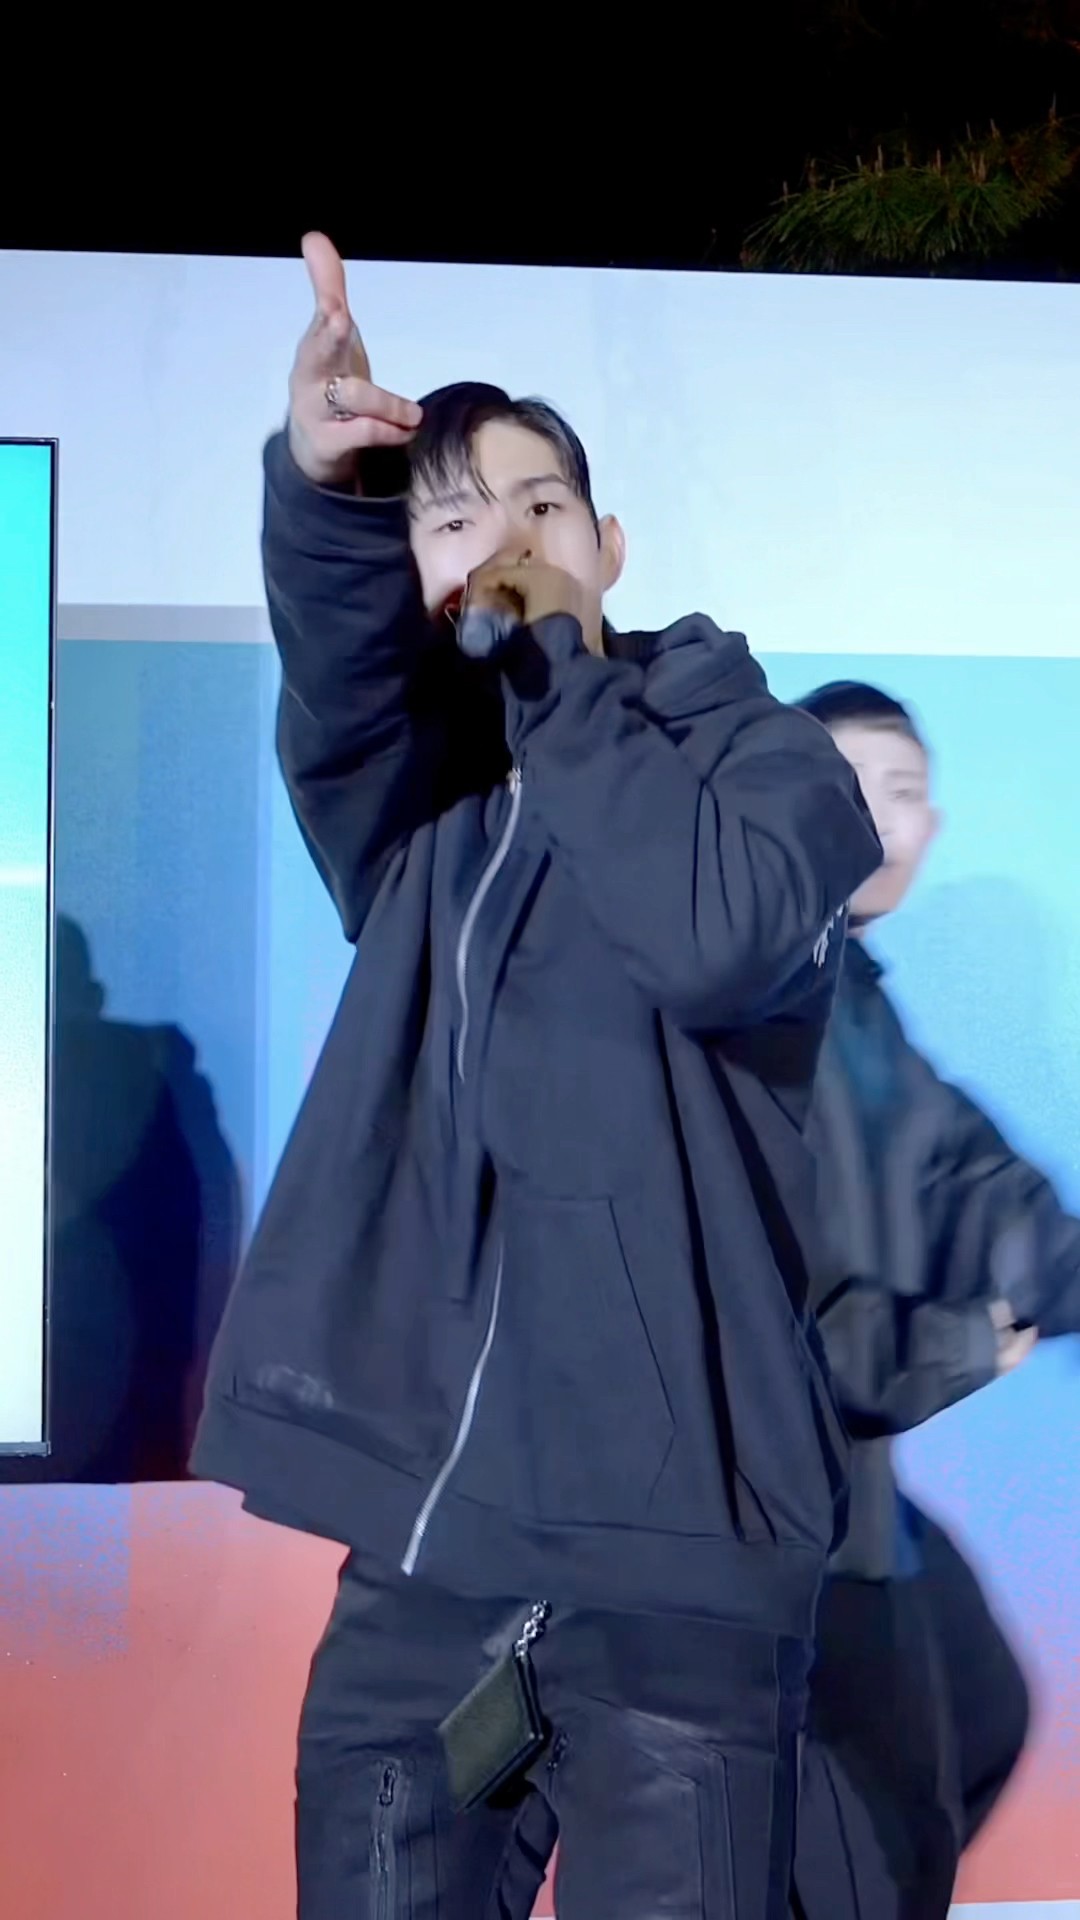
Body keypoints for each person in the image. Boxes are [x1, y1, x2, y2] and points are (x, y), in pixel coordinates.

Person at [192, 233, 882, 1920]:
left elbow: (712, 937)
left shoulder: (769, 765)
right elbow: (343, 685)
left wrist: (561, 672)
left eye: (539, 508)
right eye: (454, 523)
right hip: (435, 1574)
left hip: (680, 1584)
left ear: (609, 544)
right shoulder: (423, 811)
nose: (500, 542)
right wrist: (325, 489)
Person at [791, 679, 1080, 1920]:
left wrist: (1034, 1290)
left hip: (853, 1499)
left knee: (979, 1714)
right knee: (878, 1838)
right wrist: (958, 1341)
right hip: (767, 1520)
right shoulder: (753, 1010)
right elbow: (778, 1321)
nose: (884, 819)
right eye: (853, 786)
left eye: (905, 792)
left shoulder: (862, 1007)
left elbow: (985, 1195)